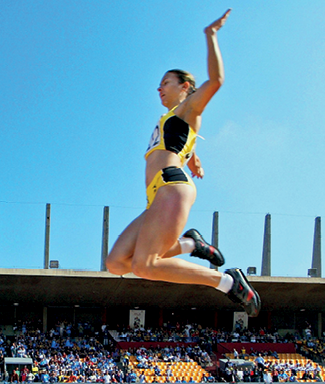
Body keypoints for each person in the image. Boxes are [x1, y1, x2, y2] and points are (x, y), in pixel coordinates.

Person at [104, 9, 261, 318]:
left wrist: (210, 35)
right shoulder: (171, 121)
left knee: (146, 264)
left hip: (171, 188)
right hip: (157, 195)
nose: (159, 88)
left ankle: (228, 282)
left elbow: (216, 80)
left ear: (185, 86)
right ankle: (191, 244)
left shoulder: (189, 107)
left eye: (166, 82)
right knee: (117, 263)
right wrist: (195, 158)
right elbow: (181, 143)